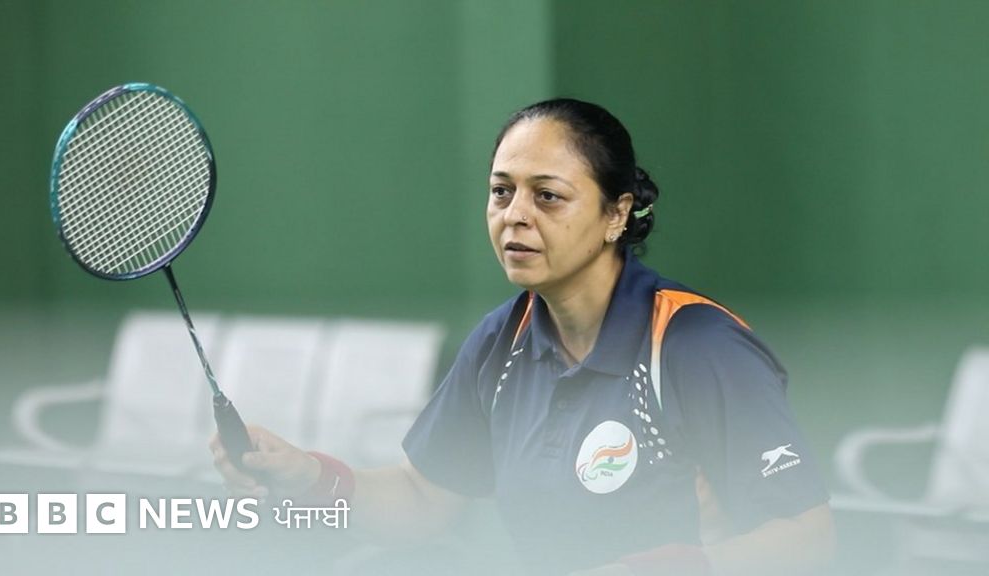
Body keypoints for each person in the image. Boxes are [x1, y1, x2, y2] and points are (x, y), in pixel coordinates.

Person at [211, 98, 835, 576]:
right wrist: (310, 477)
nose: (515, 215)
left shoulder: (695, 344)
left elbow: (807, 539)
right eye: (501, 192)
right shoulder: (501, 341)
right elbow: (422, 499)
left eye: (548, 197)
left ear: (617, 214)